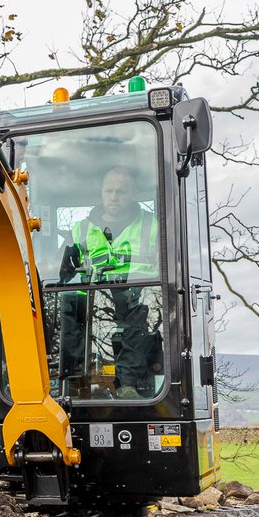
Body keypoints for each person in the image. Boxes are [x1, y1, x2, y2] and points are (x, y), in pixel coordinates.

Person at [57, 167, 159, 398]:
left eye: (121, 192)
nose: (113, 197)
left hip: (138, 295)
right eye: (109, 191)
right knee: (68, 305)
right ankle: (74, 383)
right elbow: (61, 271)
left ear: (134, 193)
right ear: (101, 193)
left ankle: (127, 385)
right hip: (91, 299)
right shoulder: (81, 229)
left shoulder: (152, 226)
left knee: (140, 319)